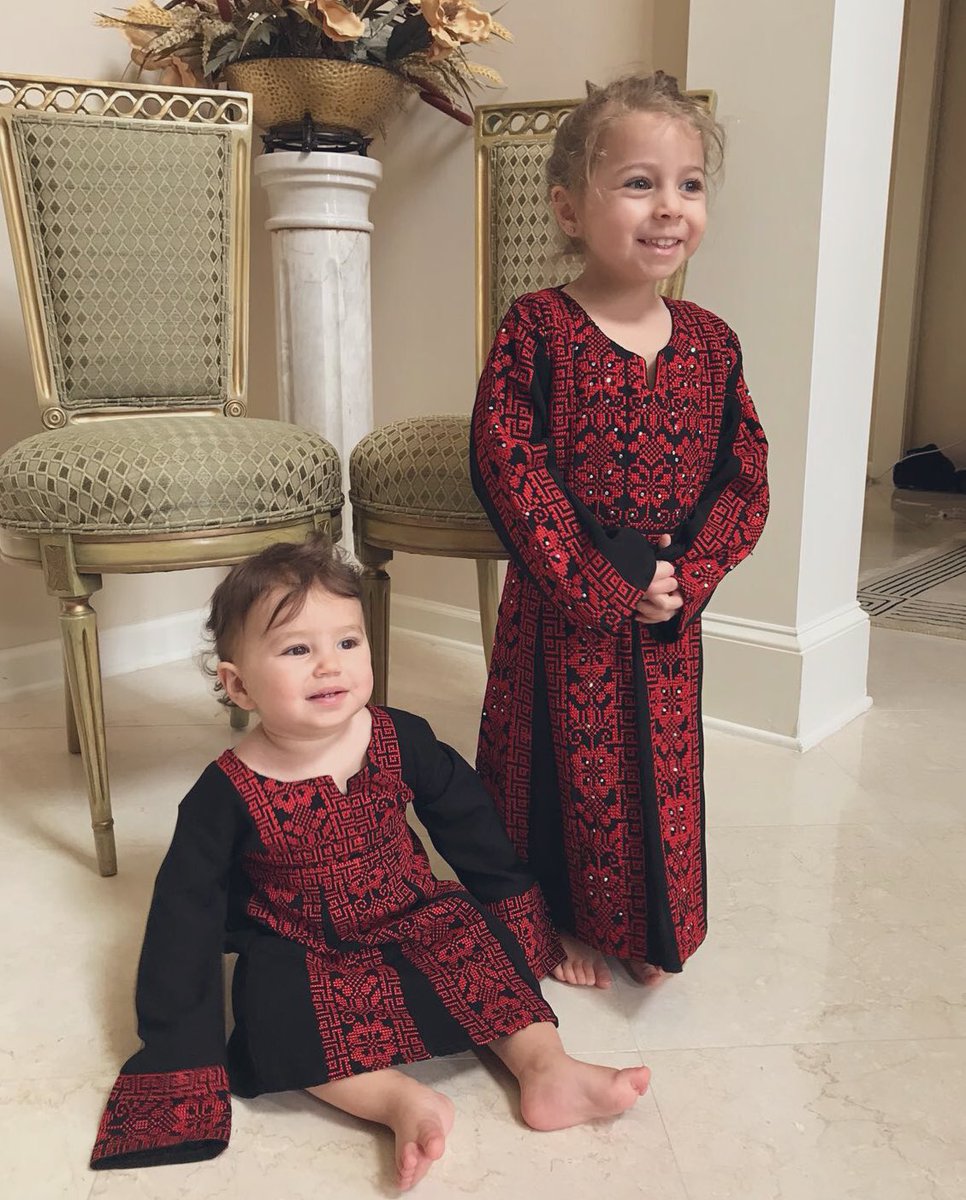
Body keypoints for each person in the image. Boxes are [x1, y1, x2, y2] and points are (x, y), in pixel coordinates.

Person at [89, 535, 650, 1189]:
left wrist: (527, 920)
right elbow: (182, 919)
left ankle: (545, 1069)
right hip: (301, 942)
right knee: (271, 1013)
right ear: (238, 685)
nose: (329, 665)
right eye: (297, 650)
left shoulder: (397, 735)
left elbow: (470, 825)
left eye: (347, 642)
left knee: (477, 940)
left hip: (412, 911)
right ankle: (400, 1103)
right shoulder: (226, 793)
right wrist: (177, 1047)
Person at [471, 72, 769, 991]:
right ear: (570, 207)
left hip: (668, 614)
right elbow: (508, 461)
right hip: (562, 611)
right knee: (558, 771)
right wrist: (607, 578)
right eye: (639, 183)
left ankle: (644, 921)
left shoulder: (712, 343)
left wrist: (687, 577)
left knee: (654, 778)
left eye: (689, 184)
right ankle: (543, 918)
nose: (669, 206)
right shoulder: (538, 329)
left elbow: (745, 472)